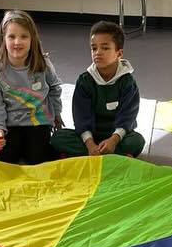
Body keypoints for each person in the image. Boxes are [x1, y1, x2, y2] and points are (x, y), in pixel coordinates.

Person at [52, 21, 145, 159]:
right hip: (90, 136)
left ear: (119, 53)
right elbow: (80, 118)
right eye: (94, 48)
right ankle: (116, 156)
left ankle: (93, 153)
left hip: (117, 136)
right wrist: (90, 144)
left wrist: (113, 140)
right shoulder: (85, 81)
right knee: (57, 138)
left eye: (105, 48)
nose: (98, 53)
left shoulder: (127, 82)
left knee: (137, 141)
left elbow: (128, 117)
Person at [0, 10, 62, 165]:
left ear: (32, 39)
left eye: (24, 36)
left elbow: (54, 88)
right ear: (3, 39)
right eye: (11, 36)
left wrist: (56, 115)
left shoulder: (43, 65)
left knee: (36, 160)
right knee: (8, 160)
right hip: (10, 125)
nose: (17, 42)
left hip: (39, 123)